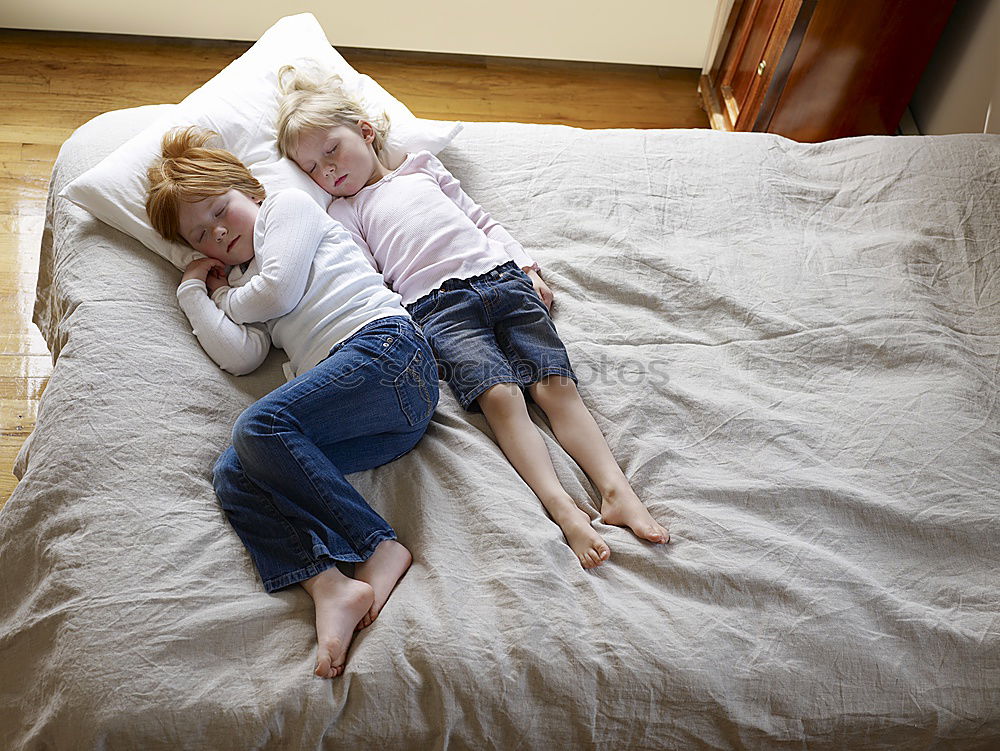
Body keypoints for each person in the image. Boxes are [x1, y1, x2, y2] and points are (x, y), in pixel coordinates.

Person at [275, 67, 670, 570]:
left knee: (556, 386)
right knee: (501, 396)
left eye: (331, 150)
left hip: (501, 279)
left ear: (366, 132)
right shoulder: (344, 214)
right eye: (311, 168)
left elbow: (480, 219)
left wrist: (525, 266)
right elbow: (371, 281)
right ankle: (563, 507)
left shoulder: (421, 167)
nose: (326, 172)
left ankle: (617, 492)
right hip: (437, 308)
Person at [145, 126, 439, 679]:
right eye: (201, 234)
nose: (219, 230)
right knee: (235, 470)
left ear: (250, 192)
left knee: (258, 426)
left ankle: (376, 546)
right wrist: (192, 292)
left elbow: (277, 291)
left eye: (221, 209)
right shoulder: (238, 282)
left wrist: (225, 297)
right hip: (375, 420)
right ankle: (328, 584)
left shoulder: (288, 209)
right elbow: (239, 355)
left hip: (390, 357)